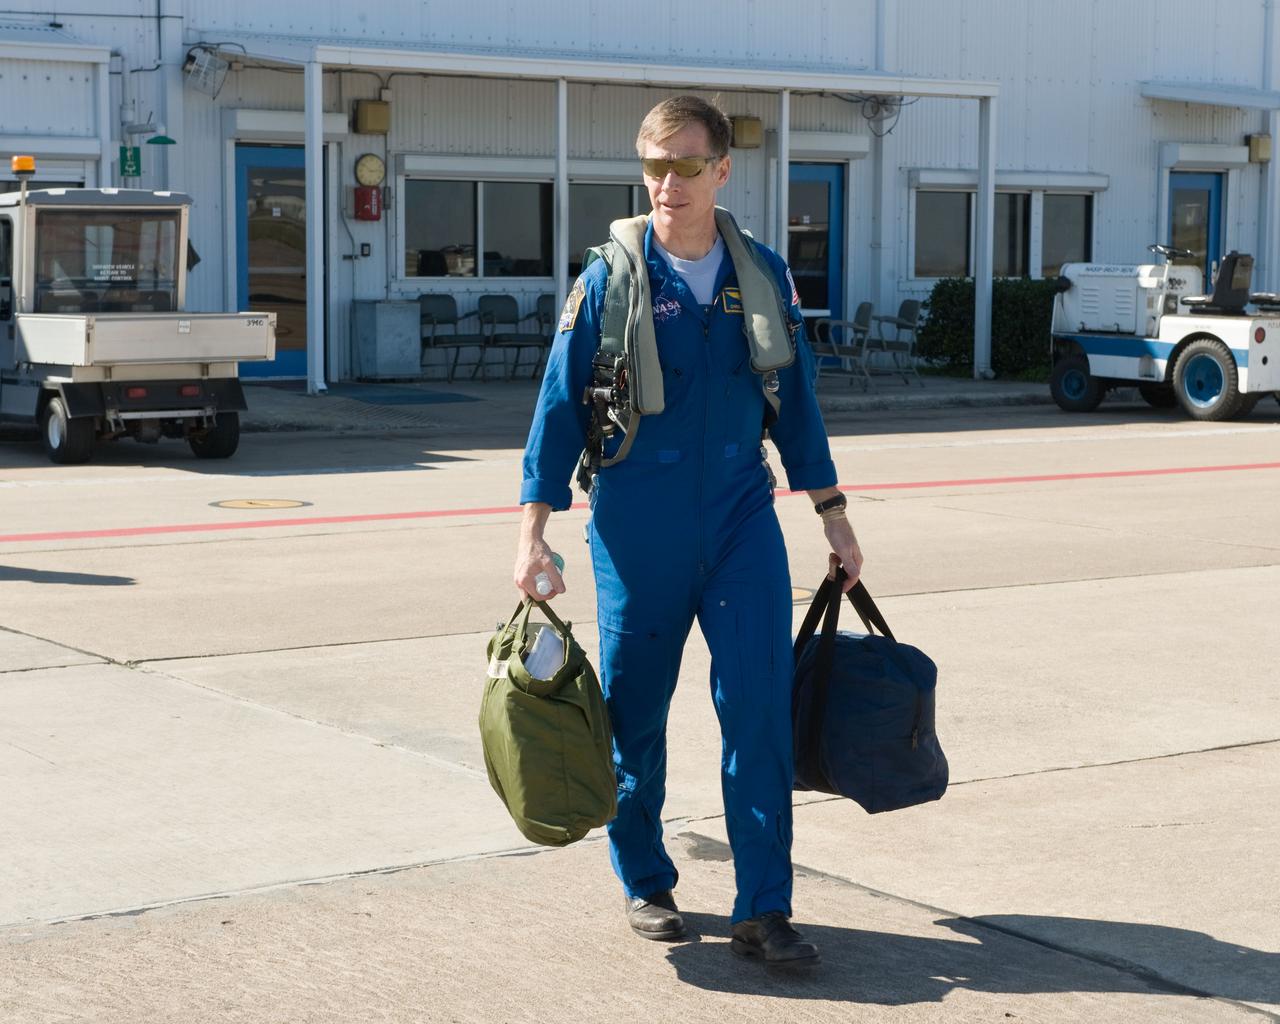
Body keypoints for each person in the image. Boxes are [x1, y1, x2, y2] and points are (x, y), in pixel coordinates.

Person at [514, 95, 862, 970]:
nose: (668, 182)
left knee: (758, 708)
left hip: (744, 517)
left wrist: (833, 514)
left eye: (686, 165)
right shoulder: (609, 280)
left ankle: (763, 907)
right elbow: (557, 415)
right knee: (636, 715)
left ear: (722, 170)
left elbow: (799, 406)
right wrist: (533, 534)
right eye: (654, 165)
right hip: (638, 525)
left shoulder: (765, 276)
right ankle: (644, 879)